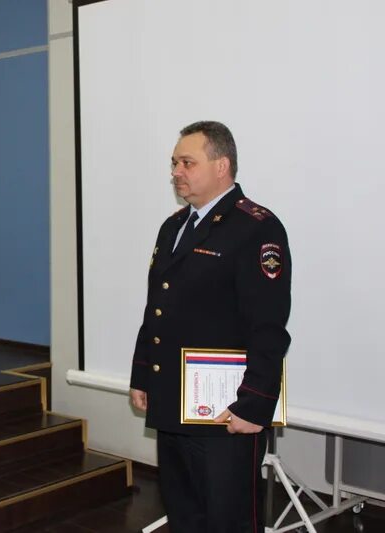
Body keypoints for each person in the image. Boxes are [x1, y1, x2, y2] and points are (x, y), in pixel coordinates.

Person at [129, 121, 291, 533]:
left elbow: (268, 326)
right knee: (185, 516)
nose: (176, 172)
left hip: (227, 413)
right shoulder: (174, 227)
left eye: (187, 162)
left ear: (222, 165)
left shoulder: (256, 227)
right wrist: (143, 374)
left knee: (228, 520)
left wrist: (254, 404)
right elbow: (158, 309)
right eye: (173, 163)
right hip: (175, 406)